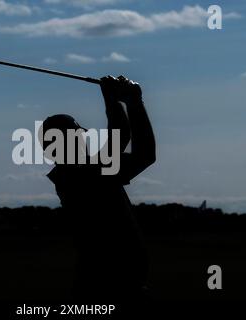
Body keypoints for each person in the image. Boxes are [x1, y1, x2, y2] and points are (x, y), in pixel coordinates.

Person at [40, 75, 156, 302]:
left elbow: (141, 152)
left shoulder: (83, 172)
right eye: (77, 129)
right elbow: (124, 137)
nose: (84, 131)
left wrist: (128, 102)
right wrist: (117, 99)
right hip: (107, 287)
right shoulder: (80, 174)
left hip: (110, 284)